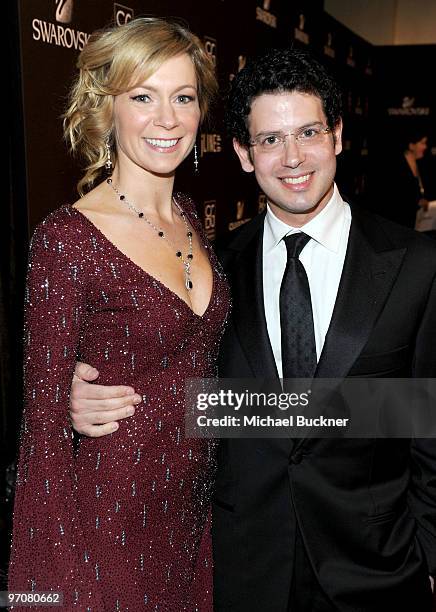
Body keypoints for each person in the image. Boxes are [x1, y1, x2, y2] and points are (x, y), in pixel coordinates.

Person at [70, 48, 436, 611]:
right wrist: (85, 396)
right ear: (243, 153)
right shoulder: (207, 273)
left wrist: (431, 560)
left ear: (337, 135)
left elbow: (427, 421)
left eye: (309, 132)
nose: (292, 158)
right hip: (243, 571)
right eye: (269, 140)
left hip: (378, 572)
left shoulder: (415, 264)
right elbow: (190, 398)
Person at [8, 17, 230, 611]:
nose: (167, 119)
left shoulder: (191, 215)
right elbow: (42, 442)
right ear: (107, 108)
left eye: (183, 97)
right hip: (102, 539)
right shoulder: (68, 239)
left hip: (191, 531)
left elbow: (198, 380)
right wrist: (42, 593)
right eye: (142, 97)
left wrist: (384, 410)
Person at [373, 128, 430, 228]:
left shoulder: (421, 164)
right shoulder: (396, 166)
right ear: (411, 145)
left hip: (415, 223)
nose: (425, 147)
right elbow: (395, 196)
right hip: (398, 223)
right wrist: (416, 202)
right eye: (422, 143)